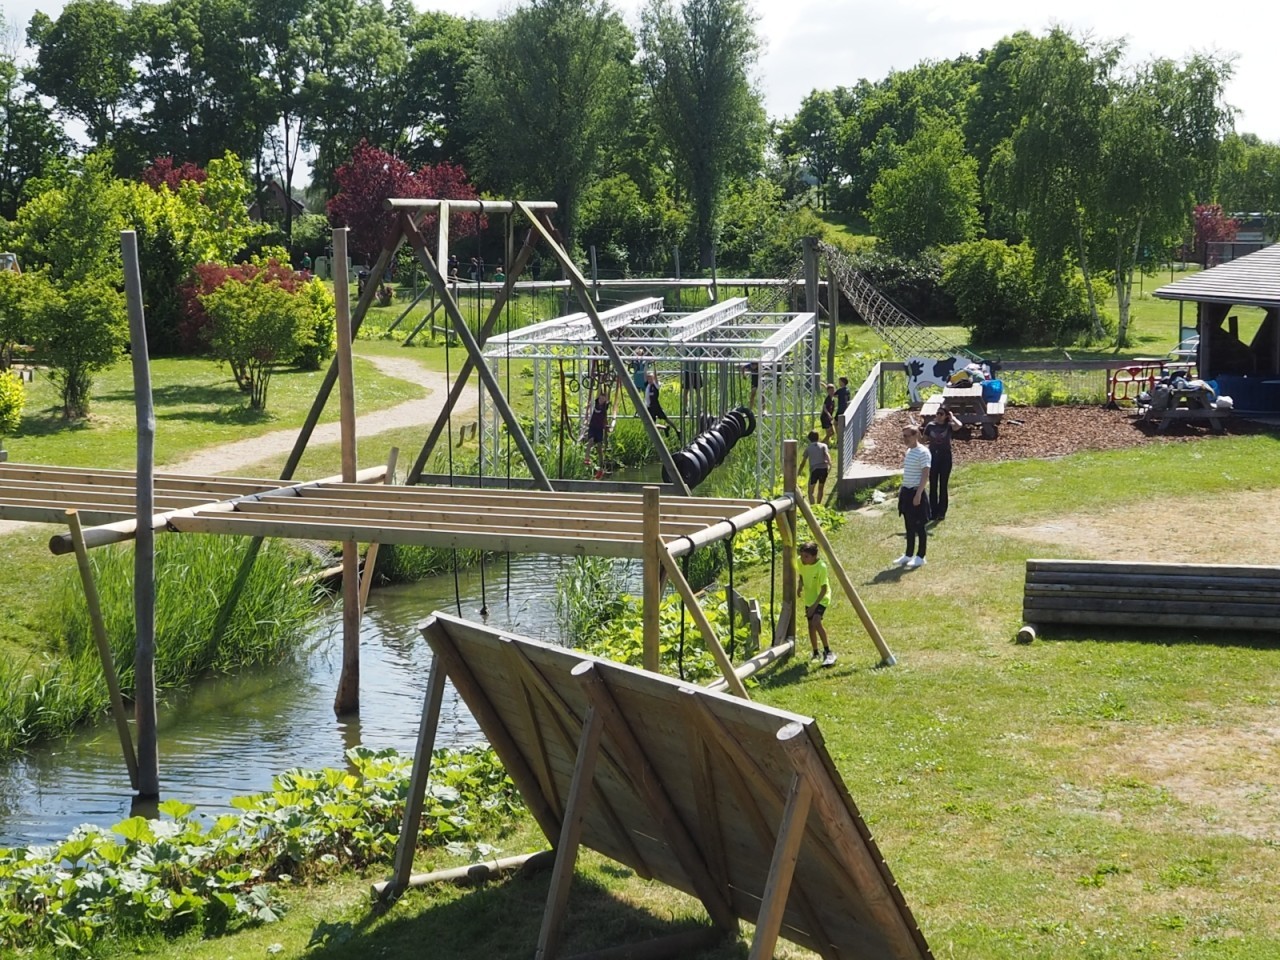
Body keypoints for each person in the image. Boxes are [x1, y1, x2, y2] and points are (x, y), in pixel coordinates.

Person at [894, 424, 931, 569]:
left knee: (919, 525)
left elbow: (925, 474)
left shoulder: (923, 452)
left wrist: (919, 494)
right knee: (908, 524)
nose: (905, 439)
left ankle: (921, 556)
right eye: (903, 436)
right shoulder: (909, 451)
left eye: (907, 436)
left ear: (916, 435)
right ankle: (909, 554)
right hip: (906, 491)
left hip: (916, 492)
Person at [798, 541, 835, 665]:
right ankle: (815, 652)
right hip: (809, 598)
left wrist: (814, 606)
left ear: (814, 556)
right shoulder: (800, 562)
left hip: (822, 598)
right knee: (810, 626)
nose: (803, 559)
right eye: (802, 555)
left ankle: (828, 651)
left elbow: (824, 589)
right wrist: (800, 585)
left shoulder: (821, 567)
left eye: (806, 557)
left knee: (816, 622)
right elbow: (802, 574)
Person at [923, 406, 961, 522]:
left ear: (946, 416)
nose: (938, 416)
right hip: (933, 456)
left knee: (943, 485)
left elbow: (959, 426)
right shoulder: (930, 426)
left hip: (945, 457)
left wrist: (952, 417)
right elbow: (923, 440)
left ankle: (941, 512)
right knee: (933, 485)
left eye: (941, 414)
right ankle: (932, 512)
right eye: (937, 413)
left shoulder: (949, 426)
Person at [644, 371, 679, 436]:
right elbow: (644, 373)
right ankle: (665, 428)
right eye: (648, 379)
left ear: (653, 379)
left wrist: (654, 365)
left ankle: (677, 430)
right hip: (649, 408)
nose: (649, 380)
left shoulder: (656, 385)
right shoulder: (647, 385)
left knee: (666, 419)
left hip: (656, 407)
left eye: (651, 378)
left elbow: (656, 377)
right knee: (651, 425)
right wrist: (646, 361)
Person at [803, 430, 831, 504]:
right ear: (818, 438)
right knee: (820, 488)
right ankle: (819, 504)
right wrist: (829, 464)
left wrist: (799, 471)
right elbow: (827, 454)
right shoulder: (824, 446)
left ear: (809, 439)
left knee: (810, 492)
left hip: (814, 470)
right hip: (824, 469)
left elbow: (803, 461)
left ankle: (813, 507)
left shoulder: (808, 448)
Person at [586, 391, 609, 478]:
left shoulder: (605, 406)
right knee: (590, 441)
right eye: (600, 398)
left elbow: (607, 399)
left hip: (599, 429)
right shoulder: (594, 404)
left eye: (603, 399)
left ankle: (601, 468)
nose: (601, 400)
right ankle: (587, 458)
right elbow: (597, 392)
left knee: (599, 448)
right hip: (592, 427)